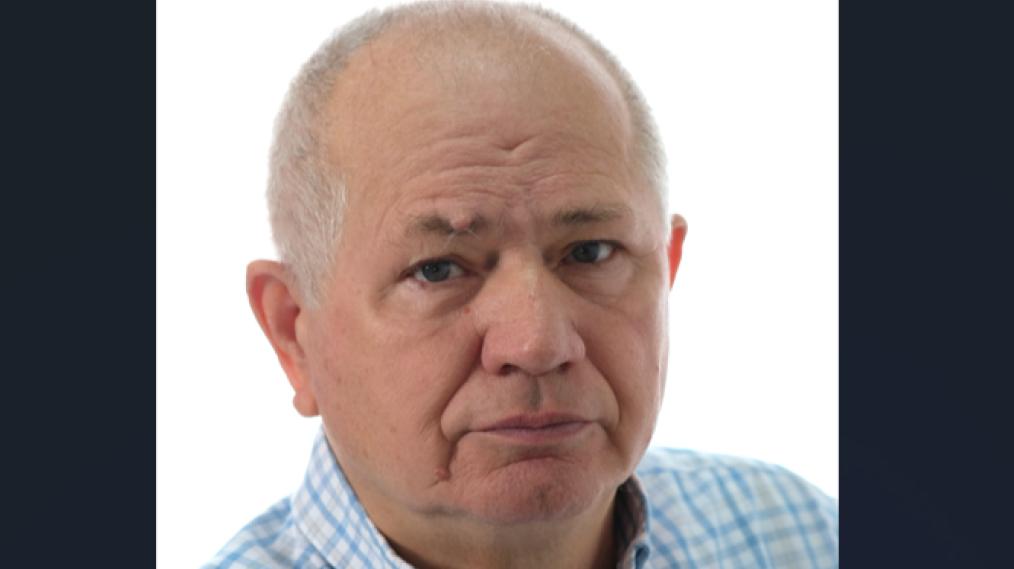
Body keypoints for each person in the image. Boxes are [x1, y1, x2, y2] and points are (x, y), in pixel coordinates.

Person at [207, 1, 838, 567]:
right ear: (293, 333)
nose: (537, 343)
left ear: (665, 273)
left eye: (590, 252)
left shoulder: (803, 537)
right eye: (438, 269)